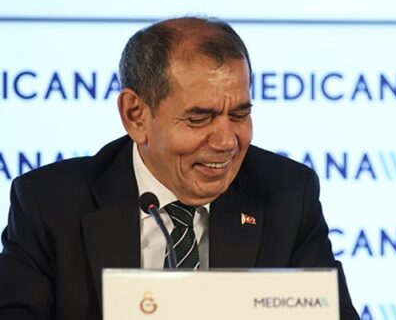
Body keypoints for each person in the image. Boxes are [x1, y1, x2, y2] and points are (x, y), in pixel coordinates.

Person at [0, 17, 359, 319]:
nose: (227, 142)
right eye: (199, 119)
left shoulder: (288, 195)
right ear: (136, 115)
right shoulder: (49, 204)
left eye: (239, 115)